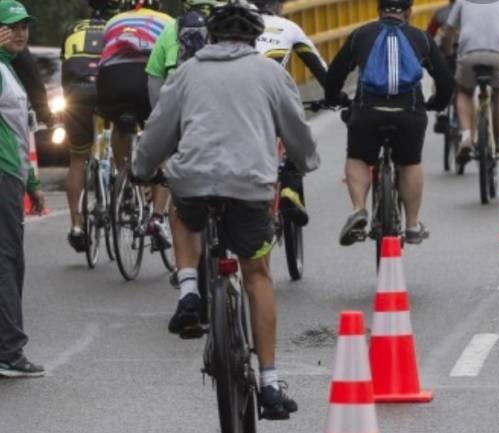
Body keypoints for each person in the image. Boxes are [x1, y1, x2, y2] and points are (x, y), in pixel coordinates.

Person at [133, 0, 318, 418]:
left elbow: (160, 129)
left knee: (182, 209)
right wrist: (304, 164)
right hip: (251, 186)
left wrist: (143, 168)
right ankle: (270, 383)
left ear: (210, 37)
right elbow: (297, 131)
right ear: (255, 38)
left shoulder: (187, 72)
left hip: (194, 181)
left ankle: (189, 292)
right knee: (257, 275)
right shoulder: (271, 73)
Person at [326, 0, 454, 246]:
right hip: (410, 113)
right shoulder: (421, 38)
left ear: (378, 10)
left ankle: (358, 209)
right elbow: (445, 79)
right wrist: (437, 103)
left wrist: (335, 98)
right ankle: (413, 224)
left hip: (368, 111)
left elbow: (335, 73)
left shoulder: (361, 35)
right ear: (408, 12)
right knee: (410, 161)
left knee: (358, 157)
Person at [97, 0, 173, 247]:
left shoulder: (112, 22)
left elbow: (104, 52)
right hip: (143, 77)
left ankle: (124, 179)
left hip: (111, 79)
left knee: (120, 126)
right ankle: (158, 218)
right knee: (160, 137)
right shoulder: (168, 22)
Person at [0, 0, 46, 378]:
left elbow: (19, 133)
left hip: (12, 176)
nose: (20, 32)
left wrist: (32, 182)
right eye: (11, 26)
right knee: (7, 263)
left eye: (24, 27)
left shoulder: (9, 70)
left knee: (11, 263)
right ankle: (9, 352)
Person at [252, 0, 328, 227]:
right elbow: (320, 69)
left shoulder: (236, 25)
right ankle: (290, 186)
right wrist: (336, 96)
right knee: (296, 132)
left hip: (231, 96)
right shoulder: (288, 27)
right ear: (280, 6)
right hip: (273, 97)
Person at [442, 0, 499, 164]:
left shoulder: (462, 1)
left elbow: (448, 32)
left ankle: (466, 136)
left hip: (469, 53)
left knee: (464, 91)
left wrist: (449, 54)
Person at [62, 0, 121, 252]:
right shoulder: (118, 27)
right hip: (108, 93)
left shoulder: (74, 28)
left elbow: (64, 67)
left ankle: (76, 224)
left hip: (77, 95)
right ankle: (123, 188)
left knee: (77, 160)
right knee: (122, 138)